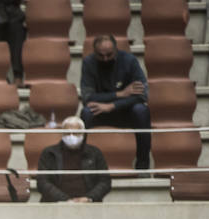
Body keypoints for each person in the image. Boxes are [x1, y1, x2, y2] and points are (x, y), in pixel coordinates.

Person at [80, 35, 152, 171]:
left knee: (141, 111)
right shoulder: (88, 62)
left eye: (109, 55)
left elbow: (142, 95)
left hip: (126, 111)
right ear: (95, 53)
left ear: (116, 50)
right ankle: (82, 164)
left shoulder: (129, 61)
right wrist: (120, 94)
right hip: (100, 112)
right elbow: (88, 98)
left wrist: (112, 105)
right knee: (86, 112)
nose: (105, 59)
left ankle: (143, 165)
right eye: (101, 56)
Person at [37, 116, 111, 204]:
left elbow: (105, 181)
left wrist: (89, 198)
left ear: (83, 134)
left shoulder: (94, 153)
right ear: (62, 134)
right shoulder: (49, 153)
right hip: (56, 204)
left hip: (88, 205)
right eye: (67, 133)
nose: (71, 136)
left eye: (76, 133)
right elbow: (42, 182)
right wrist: (65, 199)